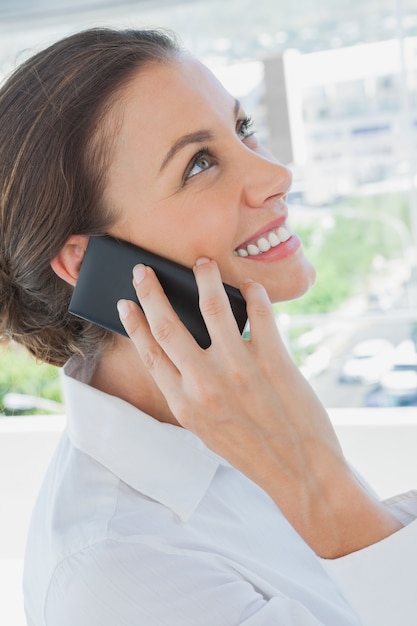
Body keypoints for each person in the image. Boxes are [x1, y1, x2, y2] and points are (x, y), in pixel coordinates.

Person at [0, 27, 415, 626]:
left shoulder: (240, 409)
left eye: (242, 129)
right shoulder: (117, 575)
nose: (275, 175)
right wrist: (315, 480)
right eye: (199, 164)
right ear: (89, 264)